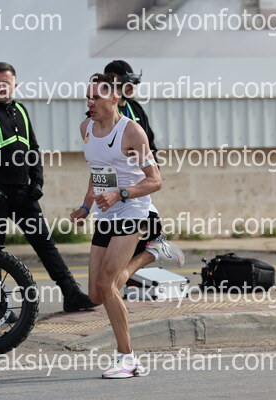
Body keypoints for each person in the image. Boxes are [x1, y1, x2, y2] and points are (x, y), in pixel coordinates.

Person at [70, 73, 183, 379]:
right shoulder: (86, 129)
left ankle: (128, 358)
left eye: (96, 97)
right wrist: (86, 206)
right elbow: (98, 171)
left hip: (133, 211)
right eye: (88, 97)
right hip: (106, 214)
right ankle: (152, 252)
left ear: (114, 99)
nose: (90, 103)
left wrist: (120, 194)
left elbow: (155, 180)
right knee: (96, 293)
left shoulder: (131, 132)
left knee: (108, 285)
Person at [0, 62, 97, 313]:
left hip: (23, 193)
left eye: (6, 82)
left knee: (45, 244)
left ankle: (71, 293)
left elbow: (32, 149)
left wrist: (38, 181)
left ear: (15, 84)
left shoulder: (20, 110)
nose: (1, 86)